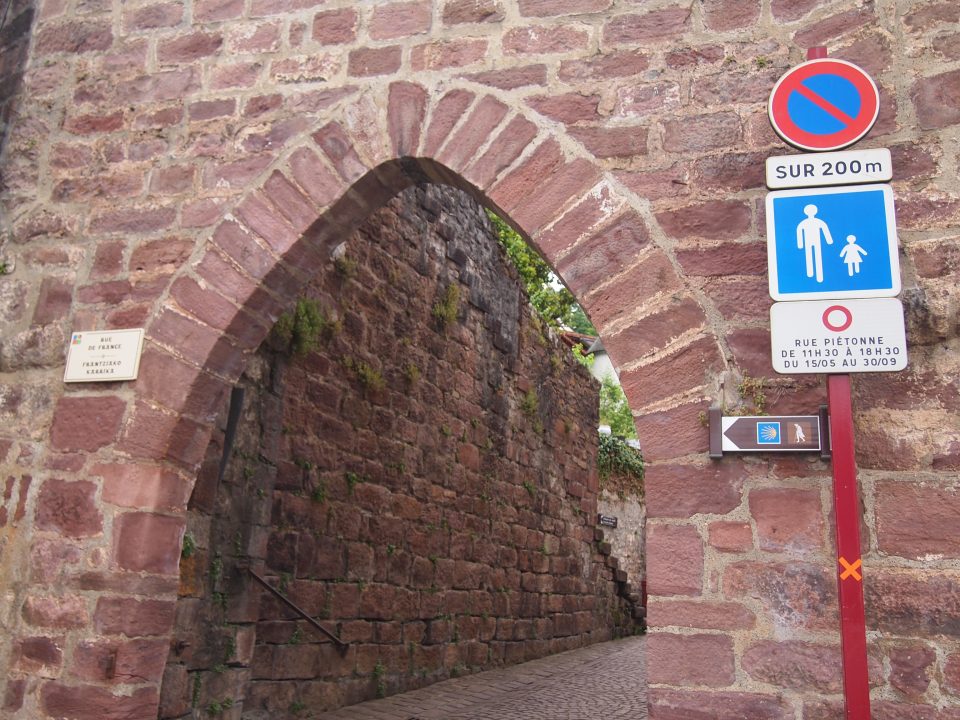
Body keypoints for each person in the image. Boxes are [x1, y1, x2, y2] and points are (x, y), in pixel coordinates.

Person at [796, 204, 834, 283]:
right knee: (810, 255)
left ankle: (818, 275)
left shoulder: (816, 222)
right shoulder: (805, 223)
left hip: (816, 241)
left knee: (816, 255)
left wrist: (829, 240)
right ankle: (810, 273)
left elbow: (825, 229)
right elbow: (799, 232)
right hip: (808, 241)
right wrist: (800, 244)